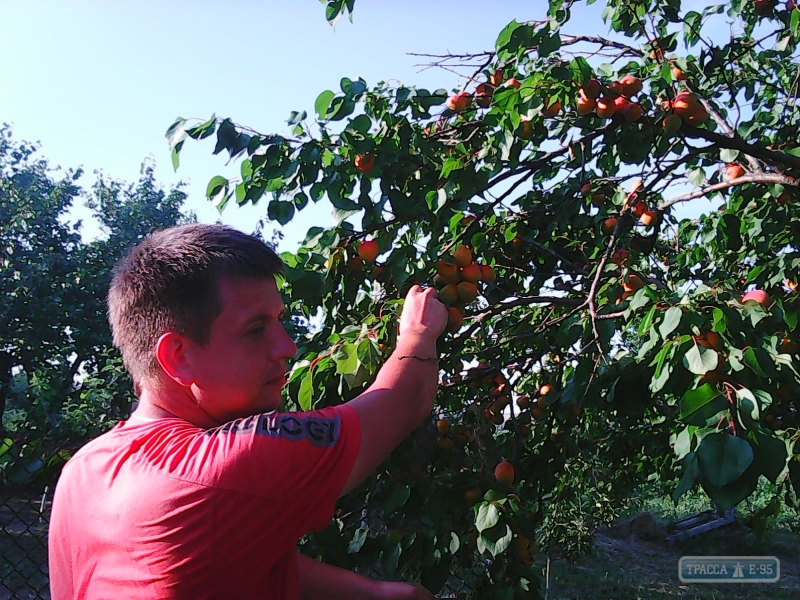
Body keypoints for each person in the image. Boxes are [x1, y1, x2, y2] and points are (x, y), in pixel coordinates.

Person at [48, 223, 448, 599]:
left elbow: (228, 549)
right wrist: (418, 332)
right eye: (256, 330)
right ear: (178, 357)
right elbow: (404, 398)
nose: (287, 347)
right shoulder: (226, 465)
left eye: (279, 320)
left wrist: (372, 593)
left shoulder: (84, 468)